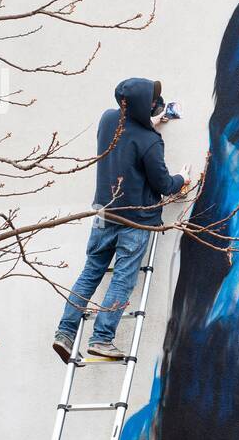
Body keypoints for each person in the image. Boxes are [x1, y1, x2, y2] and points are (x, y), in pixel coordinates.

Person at [52, 77, 190, 362]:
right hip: (134, 220)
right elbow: (164, 184)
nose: (156, 105)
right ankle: (102, 339)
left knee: (91, 272)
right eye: (152, 102)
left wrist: (154, 122)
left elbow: (128, 138)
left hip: (103, 213)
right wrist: (183, 179)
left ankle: (65, 332)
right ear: (144, 106)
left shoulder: (107, 120)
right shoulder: (151, 142)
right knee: (123, 280)